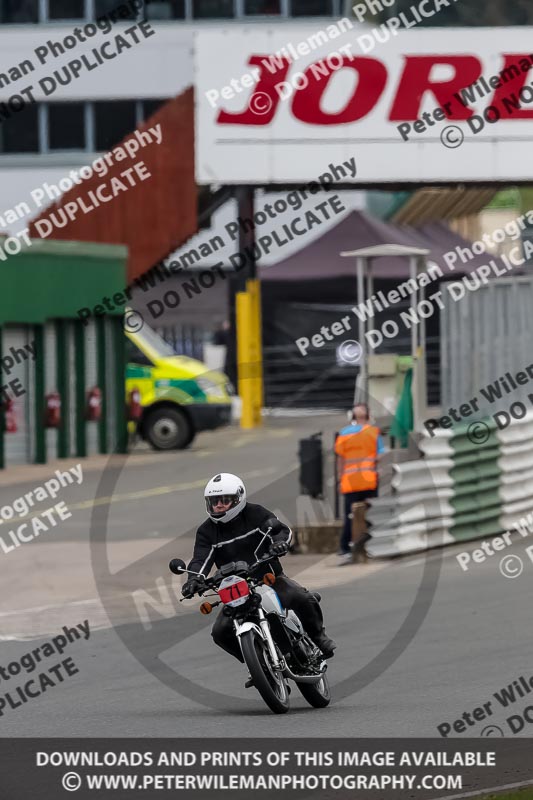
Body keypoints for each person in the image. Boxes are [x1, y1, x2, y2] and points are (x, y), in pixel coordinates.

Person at [182, 473, 336, 682]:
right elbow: (200, 559)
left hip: (268, 578)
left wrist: (279, 543)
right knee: (220, 633)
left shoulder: (255, 513)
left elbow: (281, 531)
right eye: (214, 501)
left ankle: (319, 638)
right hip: (235, 589)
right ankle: (258, 665)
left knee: (301, 597)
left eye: (224, 500)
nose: (218, 505)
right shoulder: (206, 531)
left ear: (238, 498)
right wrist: (193, 580)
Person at [334, 403, 386, 564]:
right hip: (368, 479)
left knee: (350, 516)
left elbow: (340, 459)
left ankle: (346, 547)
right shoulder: (373, 432)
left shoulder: (344, 433)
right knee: (370, 515)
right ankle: (369, 545)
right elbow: (380, 455)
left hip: (350, 481)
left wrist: (340, 478)